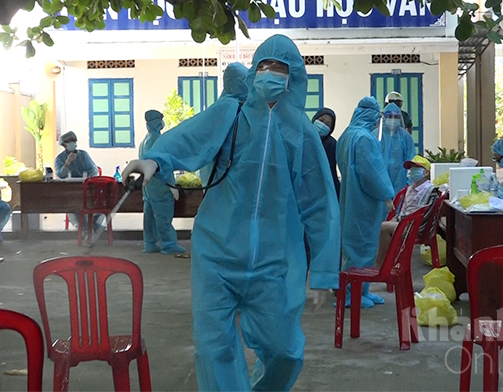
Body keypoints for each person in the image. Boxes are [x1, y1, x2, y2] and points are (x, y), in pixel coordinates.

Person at [122, 35, 340, 391]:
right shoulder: (232, 114)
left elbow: (320, 204)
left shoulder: (302, 132)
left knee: (285, 352)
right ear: (254, 70)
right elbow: (191, 137)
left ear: (294, 76)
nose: (270, 74)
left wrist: (325, 272)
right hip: (217, 255)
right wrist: (154, 159)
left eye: (280, 68)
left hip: (275, 263)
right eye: (264, 66)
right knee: (214, 349)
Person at [337, 96, 395, 309]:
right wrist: (387, 195)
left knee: (355, 247)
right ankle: (352, 294)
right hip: (363, 201)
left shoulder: (346, 135)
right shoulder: (365, 138)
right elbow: (372, 172)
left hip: (350, 197)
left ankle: (361, 290)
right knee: (361, 247)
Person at [139, 110, 188, 256]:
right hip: (159, 185)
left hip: (148, 186)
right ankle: (168, 244)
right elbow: (162, 164)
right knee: (163, 216)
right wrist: (171, 184)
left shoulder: (145, 140)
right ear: (158, 122)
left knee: (149, 217)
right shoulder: (157, 140)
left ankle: (150, 243)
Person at [376, 155, 440, 267]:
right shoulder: (410, 188)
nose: (411, 172)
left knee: (384, 227)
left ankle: (381, 265)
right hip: (407, 222)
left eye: (415, 168)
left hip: (416, 226)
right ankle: (390, 263)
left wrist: (402, 221)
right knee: (385, 226)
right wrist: (397, 219)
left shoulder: (430, 190)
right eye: (410, 169)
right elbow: (405, 210)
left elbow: (424, 215)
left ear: (425, 173)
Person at [53, 131, 101, 234]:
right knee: (73, 207)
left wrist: (87, 178)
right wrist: (67, 163)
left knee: (101, 205)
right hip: (70, 192)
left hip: (87, 190)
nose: (73, 143)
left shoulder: (83, 155)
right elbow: (61, 175)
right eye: (70, 141)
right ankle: (85, 231)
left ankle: (93, 226)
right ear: (64, 144)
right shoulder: (59, 159)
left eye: (74, 140)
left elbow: (94, 170)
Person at [373, 103, 416, 193]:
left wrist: (410, 182)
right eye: (390, 116)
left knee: (398, 204)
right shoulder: (376, 135)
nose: (393, 119)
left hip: (401, 180)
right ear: (384, 117)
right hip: (380, 180)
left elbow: (411, 159)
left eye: (396, 117)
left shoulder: (405, 137)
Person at [312, 107, 340, 198]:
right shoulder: (303, 139)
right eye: (321, 120)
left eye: (327, 124)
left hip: (325, 192)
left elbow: (331, 172)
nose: (322, 125)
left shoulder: (331, 144)